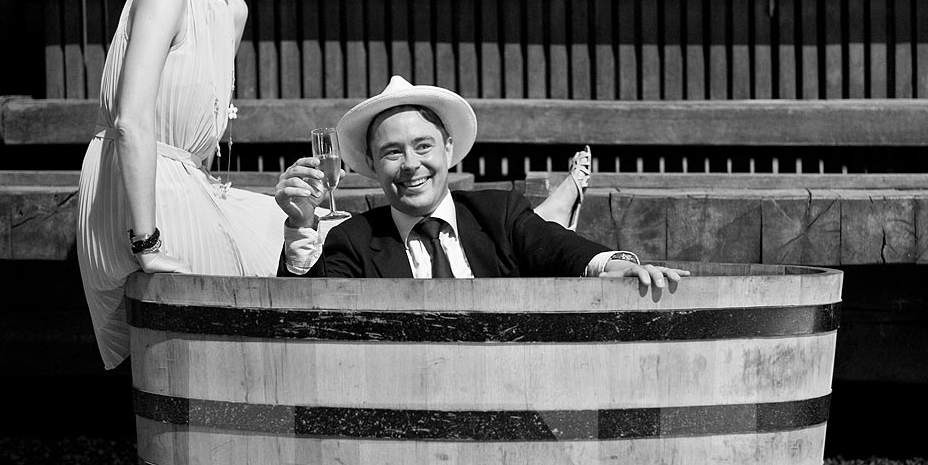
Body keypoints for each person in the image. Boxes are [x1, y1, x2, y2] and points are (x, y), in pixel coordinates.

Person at [76, 0, 298, 369]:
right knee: (243, 308)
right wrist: (146, 240)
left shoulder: (233, 10)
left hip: (190, 185)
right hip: (140, 195)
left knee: (314, 232)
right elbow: (131, 121)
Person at [274, 75, 683, 290]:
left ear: (449, 148)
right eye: (392, 152)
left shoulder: (498, 214)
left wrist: (615, 264)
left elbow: (558, 247)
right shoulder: (353, 239)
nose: (411, 165)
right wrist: (300, 226)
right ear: (371, 164)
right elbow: (307, 321)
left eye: (423, 146)